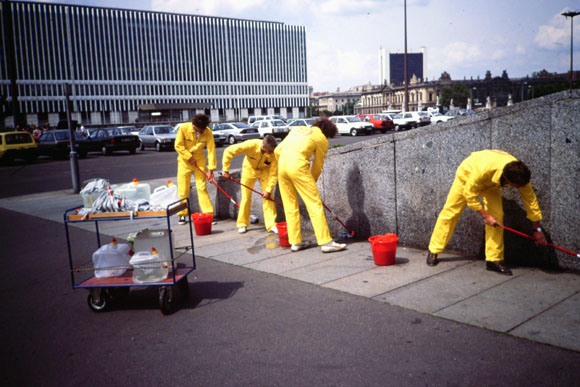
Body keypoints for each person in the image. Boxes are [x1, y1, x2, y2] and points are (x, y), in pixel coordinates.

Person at [426, 150, 547, 275]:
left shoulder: (520, 175)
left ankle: (493, 260)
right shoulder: (483, 169)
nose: (518, 189)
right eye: (515, 186)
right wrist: (485, 216)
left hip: (490, 185)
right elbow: (470, 193)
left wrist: (537, 229)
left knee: (497, 217)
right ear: (507, 179)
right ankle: (434, 249)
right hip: (467, 177)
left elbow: (530, 200)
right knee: (451, 211)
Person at [275, 118, 346, 253]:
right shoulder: (321, 139)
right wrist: (310, 182)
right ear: (327, 133)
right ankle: (326, 242)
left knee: (290, 206)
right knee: (314, 203)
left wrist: (285, 162)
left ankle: (295, 242)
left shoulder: (297, 129)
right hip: (298, 167)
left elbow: (277, 150)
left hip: (282, 167)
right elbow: (318, 166)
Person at [222, 135, 279, 234]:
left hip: (265, 171)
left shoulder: (274, 153)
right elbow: (229, 151)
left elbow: (274, 173)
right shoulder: (250, 145)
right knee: (246, 197)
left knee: (268, 197)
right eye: (270, 151)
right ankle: (242, 224)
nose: (272, 153)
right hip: (249, 170)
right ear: (263, 147)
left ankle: (271, 224)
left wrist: (268, 190)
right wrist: (225, 170)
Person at [174, 114, 217, 225]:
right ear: (194, 125)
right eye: (200, 129)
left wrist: (211, 169)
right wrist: (189, 157)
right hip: (184, 162)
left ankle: (208, 214)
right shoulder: (184, 128)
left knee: (202, 187)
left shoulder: (208, 132)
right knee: (183, 188)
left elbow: (211, 151)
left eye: (204, 129)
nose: (202, 131)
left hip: (199, 161)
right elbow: (178, 146)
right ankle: (182, 214)